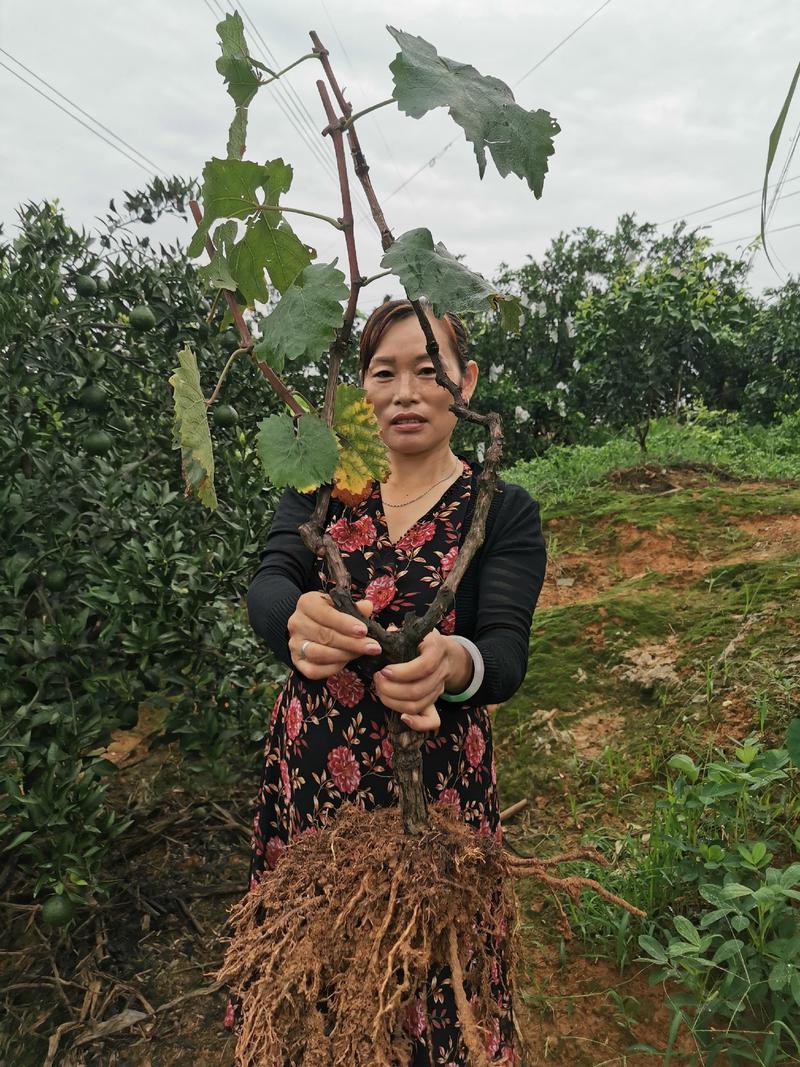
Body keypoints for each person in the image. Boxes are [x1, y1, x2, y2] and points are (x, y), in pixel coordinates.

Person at [223, 298, 547, 1065]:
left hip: (432, 793)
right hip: (315, 784)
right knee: (320, 980)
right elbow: (270, 583)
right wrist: (293, 620)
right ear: (357, 392)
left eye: (429, 372)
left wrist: (456, 664)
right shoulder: (321, 486)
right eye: (383, 372)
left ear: (465, 387)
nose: (405, 392)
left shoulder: (499, 508)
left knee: (436, 975)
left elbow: (504, 650)